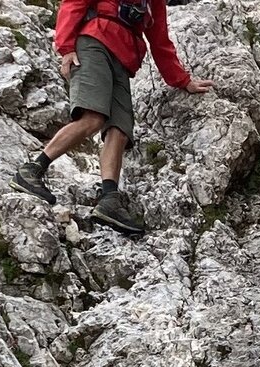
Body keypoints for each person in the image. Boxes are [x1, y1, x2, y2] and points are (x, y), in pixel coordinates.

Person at [12, 0, 215, 235]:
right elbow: (75, 3)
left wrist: (183, 81)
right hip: (93, 44)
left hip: (123, 59)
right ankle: (32, 170)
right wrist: (66, 48)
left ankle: (109, 199)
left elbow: (160, 40)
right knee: (93, 118)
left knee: (119, 130)